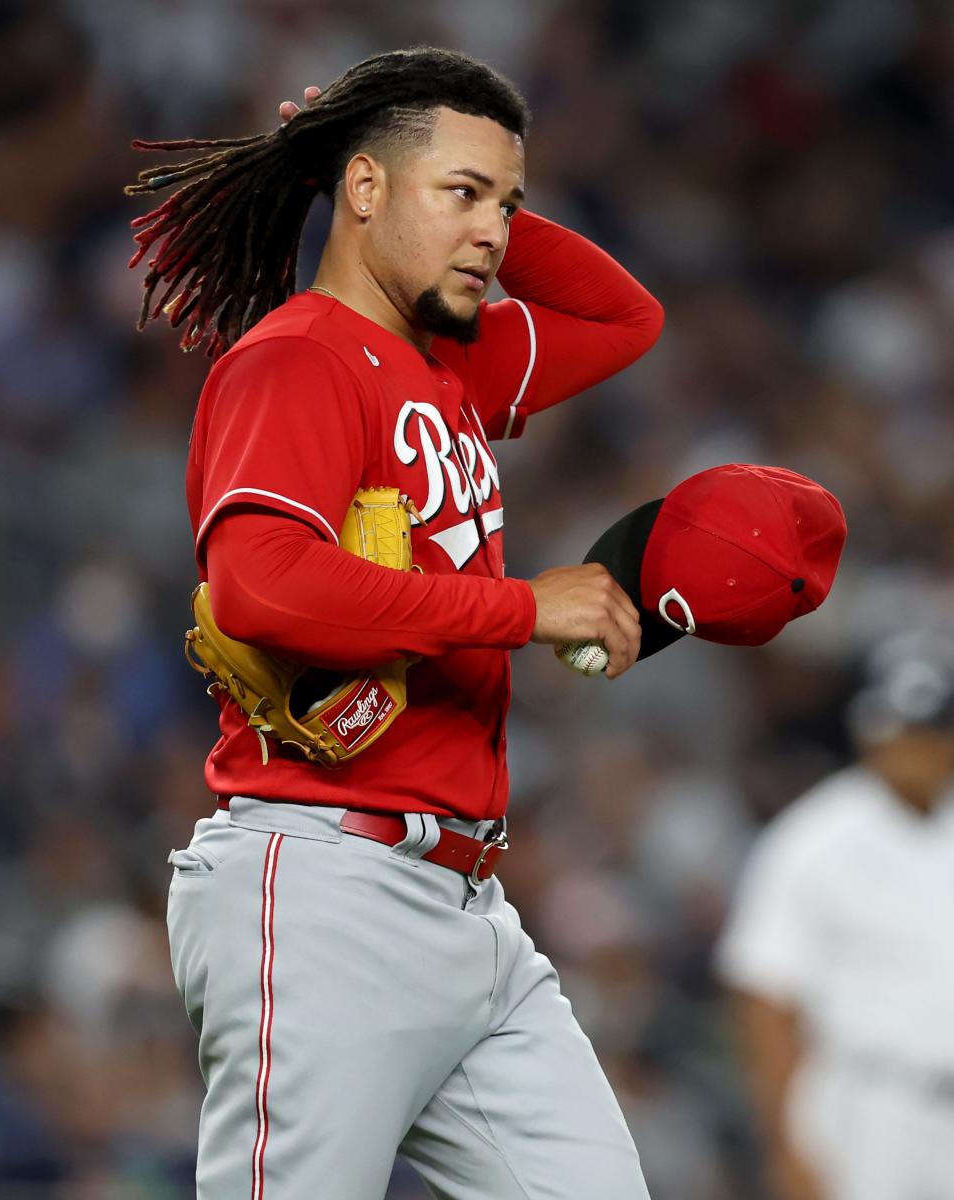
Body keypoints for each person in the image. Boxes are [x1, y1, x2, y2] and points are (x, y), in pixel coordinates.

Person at [127, 48, 663, 1200]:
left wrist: (462, 167)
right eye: (460, 195)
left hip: (469, 909)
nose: (495, 235)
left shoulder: (449, 365)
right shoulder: (297, 361)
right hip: (326, 887)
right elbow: (259, 587)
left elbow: (627, 317)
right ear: (363, 191)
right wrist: (523, 609)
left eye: (507, 205)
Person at [715, 632, 954, 1200]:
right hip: (868, 1106)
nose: (911, 748)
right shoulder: (810, 840)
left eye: (928, 733)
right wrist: (784, 1146)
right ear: (865, 731)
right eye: (897, 731)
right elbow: (765, 1002)